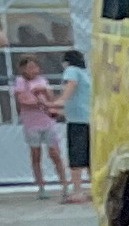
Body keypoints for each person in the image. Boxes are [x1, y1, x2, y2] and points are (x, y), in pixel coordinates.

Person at [12, 57, 63, 199]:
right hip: (31, 123)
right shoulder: (20, 82)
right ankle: (41, 186)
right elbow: (23, 101)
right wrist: (42, 104)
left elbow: (50, 98)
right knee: (36, 154)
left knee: (54, 152)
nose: (33, 71)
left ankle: (64, 183)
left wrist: (45, 97)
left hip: (46, 121)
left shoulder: (42, 81)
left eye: (35, 67)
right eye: (30, 68)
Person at [59, 49, 92, 200]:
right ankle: (94, 188)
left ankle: (77, 190)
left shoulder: (72, 71)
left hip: (77, 119)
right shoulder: (86, 74)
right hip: (89, 118)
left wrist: (61, 101)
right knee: (90, 156)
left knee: (76, 155)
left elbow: (71, 85)